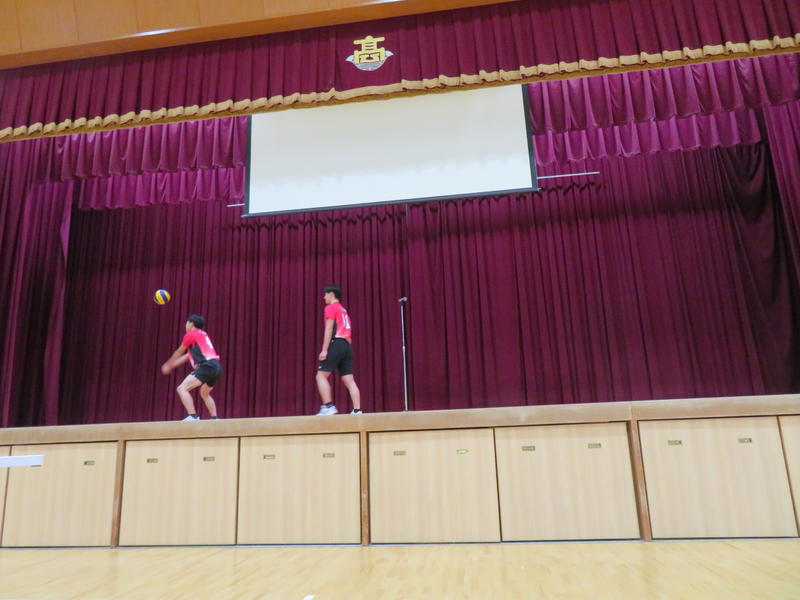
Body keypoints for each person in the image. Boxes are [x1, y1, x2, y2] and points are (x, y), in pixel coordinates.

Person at [161, 314, 222, 421]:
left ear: (191, 323)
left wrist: (168, 364)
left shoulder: (191, 334)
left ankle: (193, 416)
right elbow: (186, 357)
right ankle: (214, 418)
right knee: (204, 393)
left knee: (182, 388)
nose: (186, 325)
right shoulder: (201, 336)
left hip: (207, 366)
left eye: (187, 322)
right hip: (216, 367)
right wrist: (171, 366)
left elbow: (180, 351)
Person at [316, 285, 362, 415]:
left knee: (320, 376)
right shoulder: (343, 310)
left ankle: (328, 406)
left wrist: (324, 350)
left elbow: (329, 329)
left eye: (325, 294)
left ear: (331, 294)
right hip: (347, 345)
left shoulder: (330, 308)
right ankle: (357, 410)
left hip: (337, 343)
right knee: (349, 380)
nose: (324, 297)